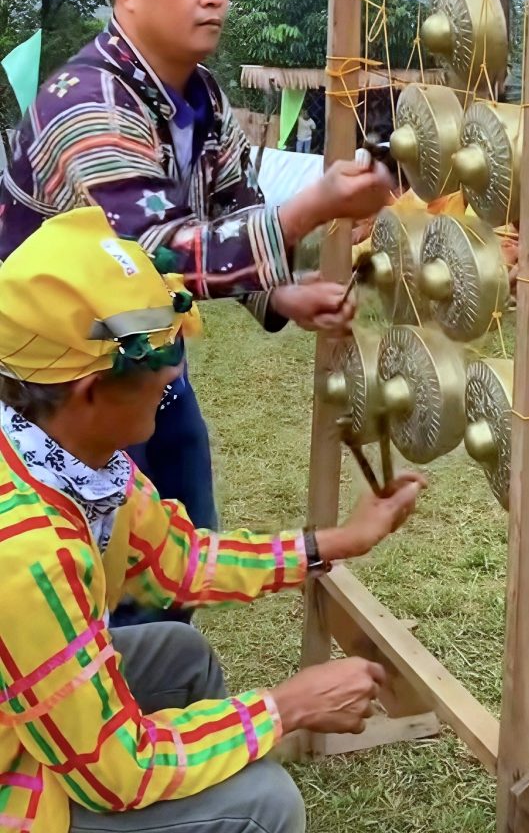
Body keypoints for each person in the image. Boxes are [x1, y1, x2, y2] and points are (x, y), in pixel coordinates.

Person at [0, 205, 426, 833]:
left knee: (180, 655)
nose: (175, 372)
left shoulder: (61, 454)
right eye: (161, 357)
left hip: (23, 717)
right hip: (17, 784)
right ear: (90, 391)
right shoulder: (27, 550)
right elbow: (116, 769)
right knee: (265, 805)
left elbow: (181, 560)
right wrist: (283, 707)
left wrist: (336, 541)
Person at [0, 0, 389, 553]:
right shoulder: (87, 104)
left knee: (178, 540)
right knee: (86, 559)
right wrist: (312, 207)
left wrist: (278, 294)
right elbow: (154, 253)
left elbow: (236, 204)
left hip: (147, 356)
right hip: (57, 386)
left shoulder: (201, 93)